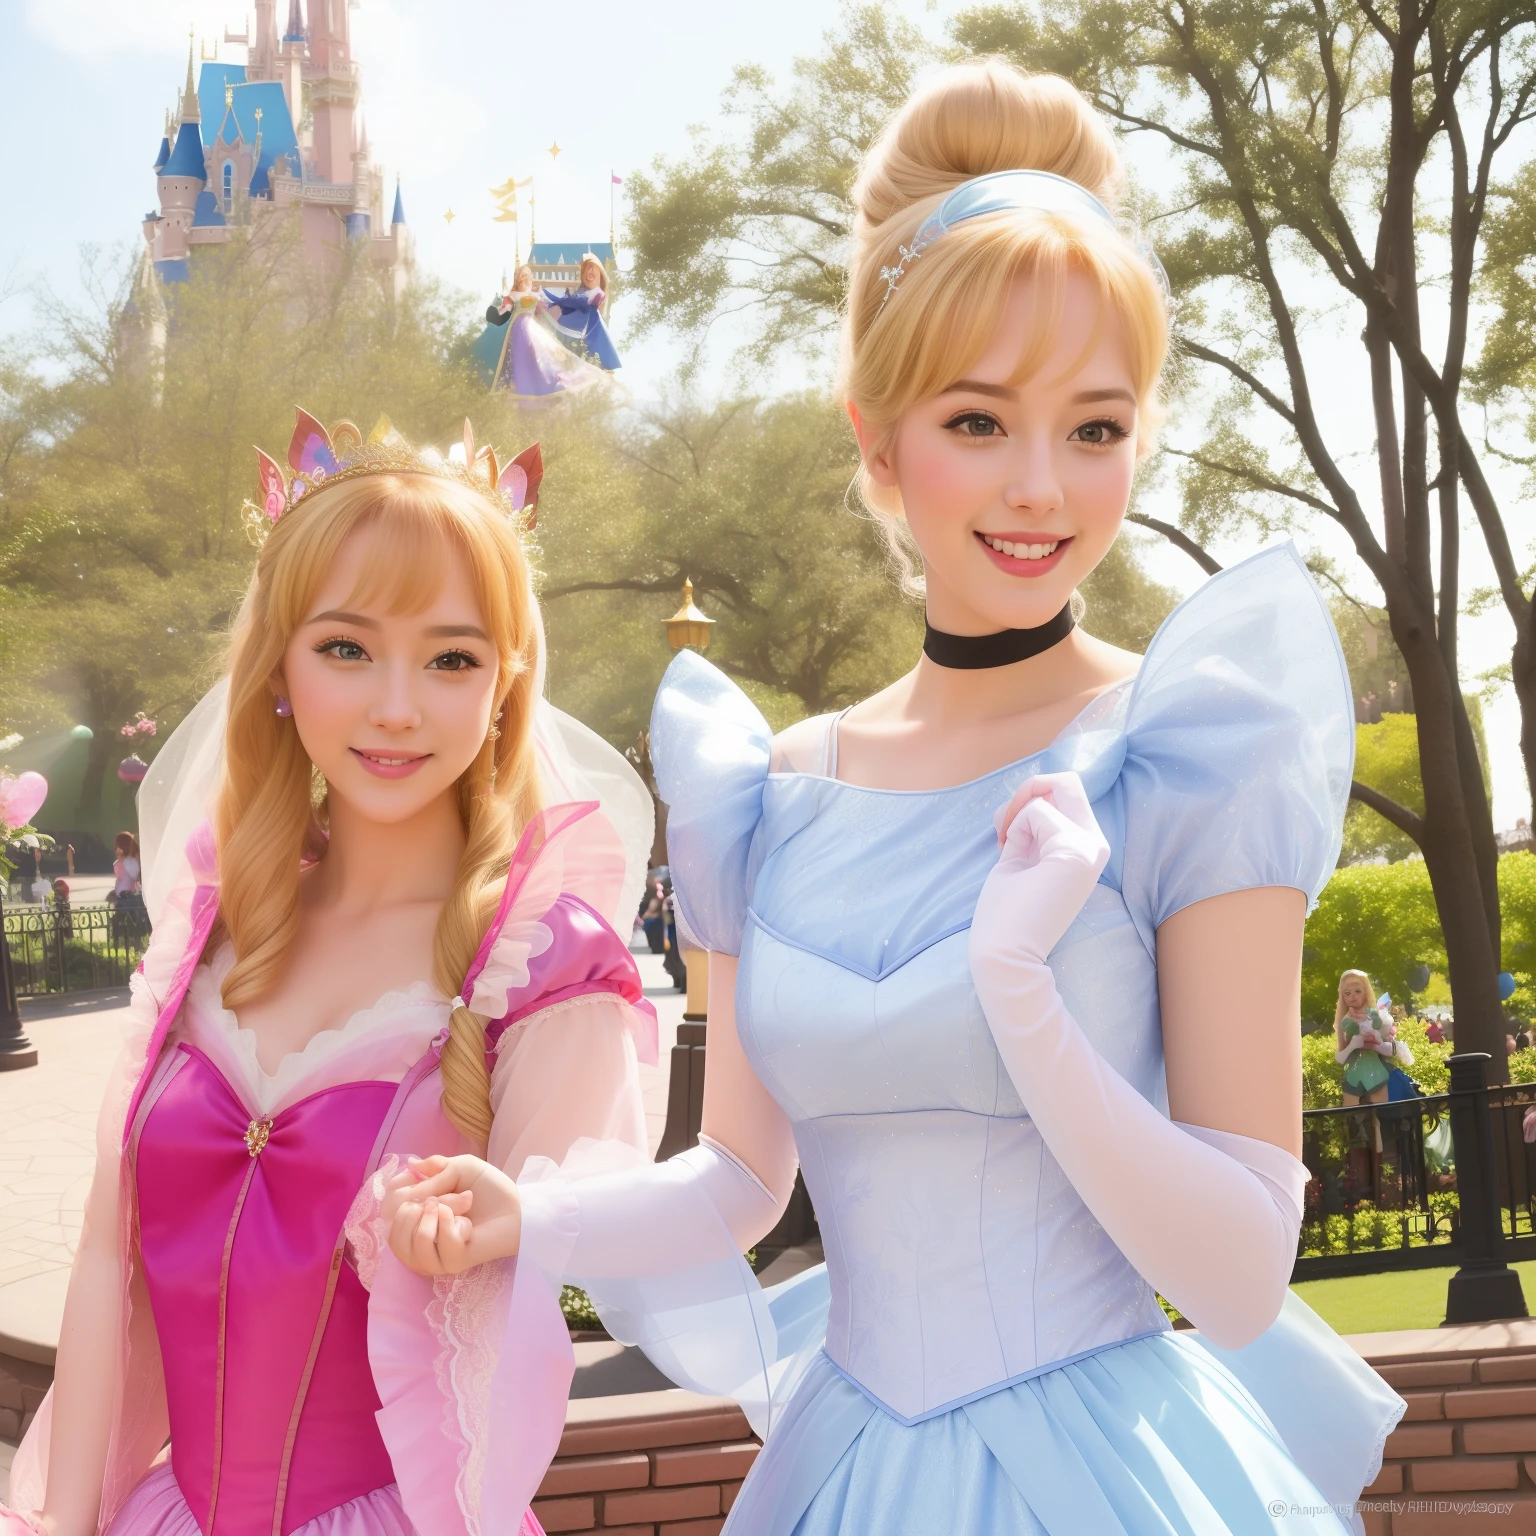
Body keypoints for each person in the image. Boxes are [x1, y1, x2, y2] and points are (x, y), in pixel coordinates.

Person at [380, 61, 1403, 1535]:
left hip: (1103, 1480)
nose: (1042, 487)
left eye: (1097, 428)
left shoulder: (1185, 744)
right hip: (847, 1473)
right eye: (980, 423)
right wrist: (525, 1215)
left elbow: (1242, 1273)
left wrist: (1018, 989)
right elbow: (737, 1177)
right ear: (877, 435)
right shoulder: (767, 790)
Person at [0, 409, 658, 1536]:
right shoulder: (208, 932)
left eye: (451, 657)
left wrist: (494, 1238)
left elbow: (558, 1307)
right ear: (279, 670)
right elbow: (109, 1263)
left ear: (506, 682)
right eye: (347, 647)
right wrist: (63, 1521)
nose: (396, 706)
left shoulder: (546, 971)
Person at [475, 264, 608, 400]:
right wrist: (496, 310)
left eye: (528, 276)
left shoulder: (534, 294)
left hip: (532, 327)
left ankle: (550, 379)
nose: (526, 279)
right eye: (523, 276)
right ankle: (523, 385)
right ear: (518, 279)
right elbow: (504, 311)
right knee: (526, 355)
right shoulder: (513, 296)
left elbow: (545, 310)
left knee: (545, 352)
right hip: (519, 327)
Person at [543, 256, 622, 371]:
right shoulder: (580, 294)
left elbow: (577, 304)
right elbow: (567, 302)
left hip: (586, 324)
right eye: (585, 270)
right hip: (575, 324)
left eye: (592, 268)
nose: (589, 271)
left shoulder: (595, 296)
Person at [1337, 969, 1398, 1106]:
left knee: (1382, 1113)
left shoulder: (1374, 1014)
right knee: (1351, 1114)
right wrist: (1354, 1042)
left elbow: (1388, 1044)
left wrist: (1377, 1041)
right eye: (1348, 993)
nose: (1353, 996)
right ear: (1343, 996)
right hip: (1354, 1072)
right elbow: (1342, 1053)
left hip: (1376, 1070)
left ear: (1366, 992)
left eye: (1358, 991)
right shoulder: (1345, 1020)